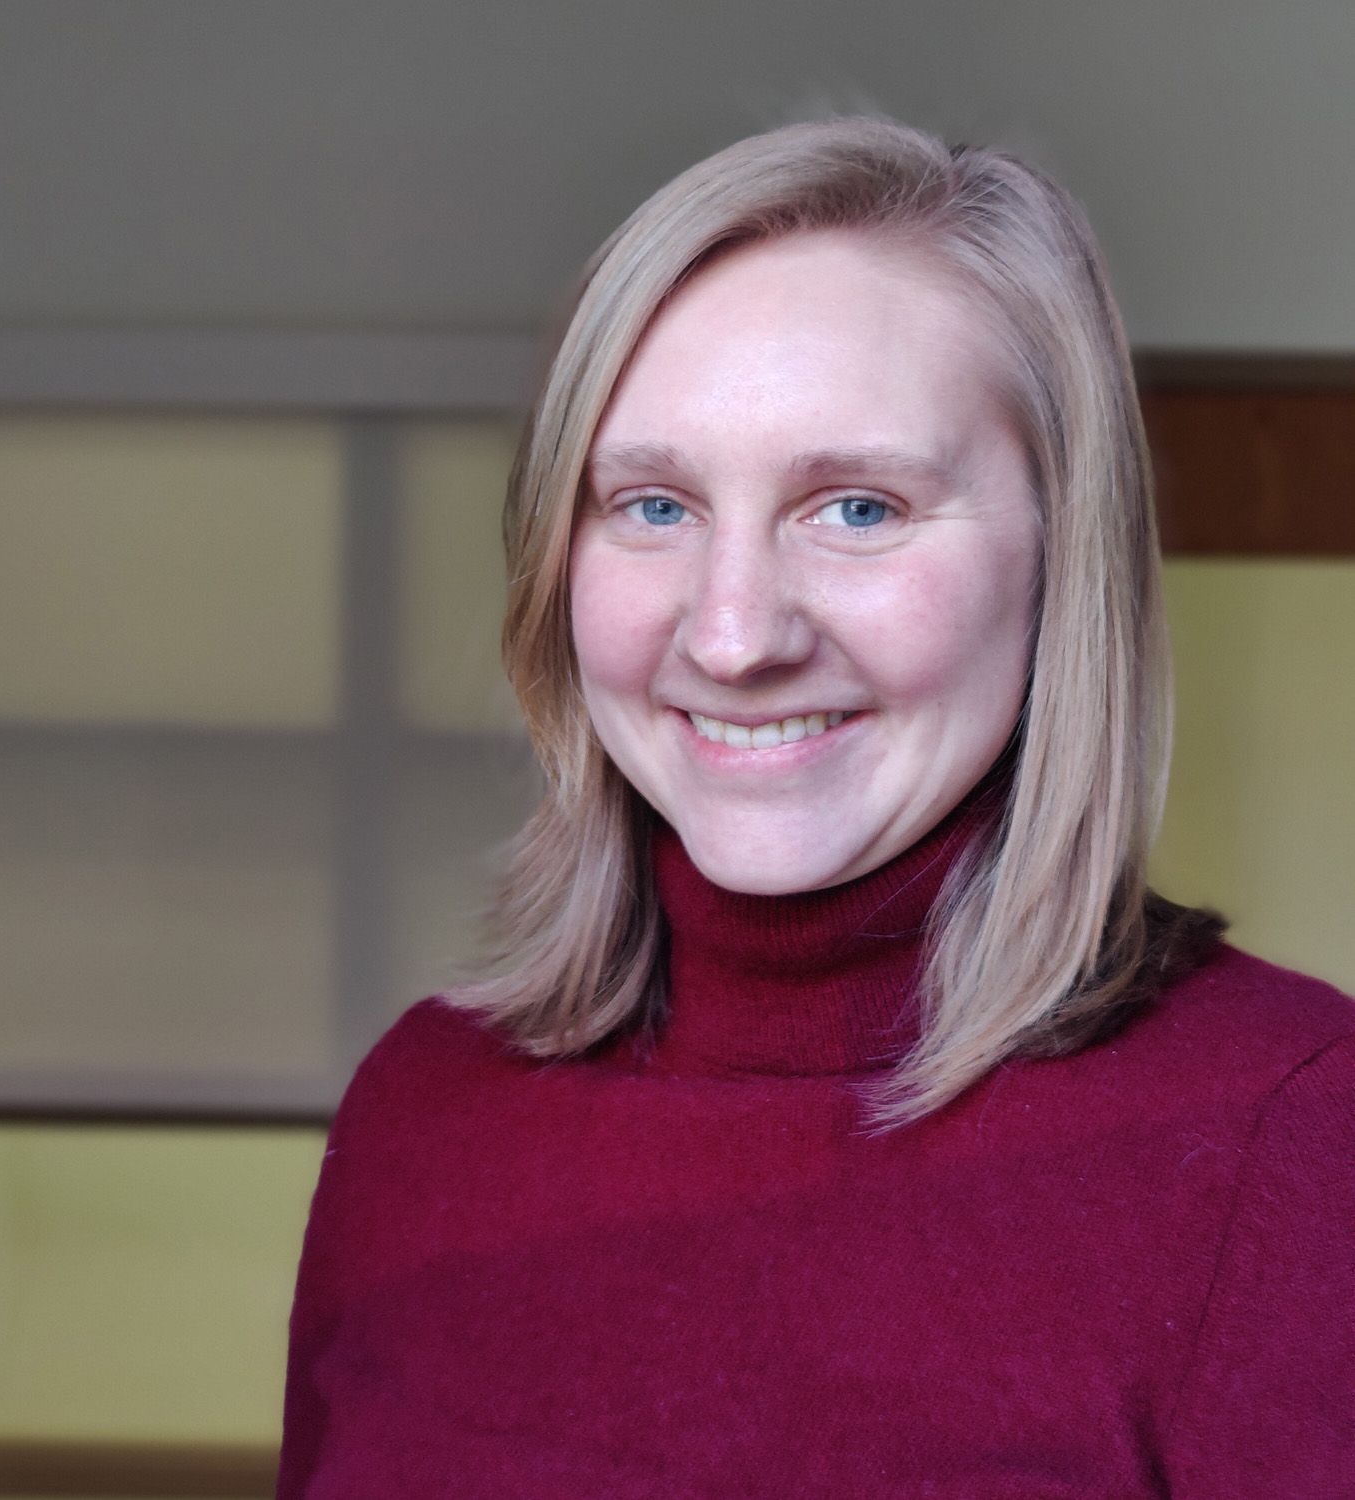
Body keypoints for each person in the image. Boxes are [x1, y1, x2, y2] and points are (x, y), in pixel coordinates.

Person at [276, 117, 1354, 1498]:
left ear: (1061, 557)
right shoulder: (422, 1116)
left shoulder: (1299, 1147)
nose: (733, 637)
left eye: (857, 508)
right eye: (654, 505)